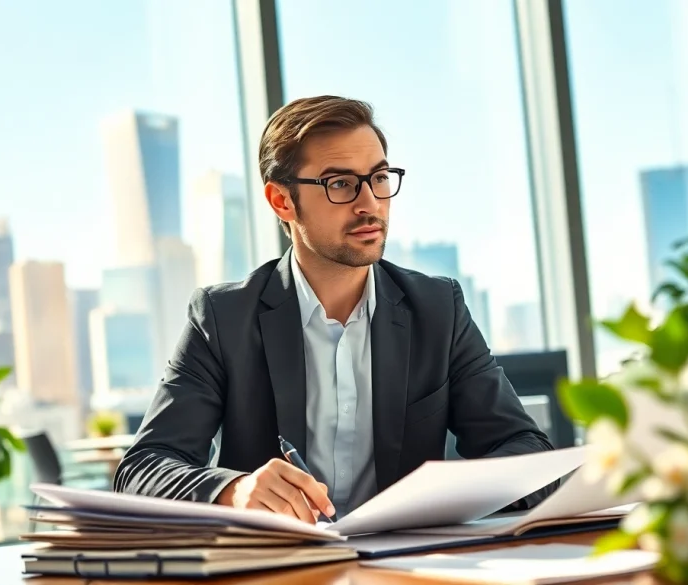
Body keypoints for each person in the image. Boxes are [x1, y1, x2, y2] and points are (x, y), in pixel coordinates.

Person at [114, 95, 559, 523]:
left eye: (379, 178)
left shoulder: (438, 309)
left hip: (411, 568)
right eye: (340, 184)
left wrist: (451, 493)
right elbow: (141, 470)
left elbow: (525, 448)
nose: (369, 203)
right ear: (282, 201)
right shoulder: (222, 317)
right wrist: (233, 491)